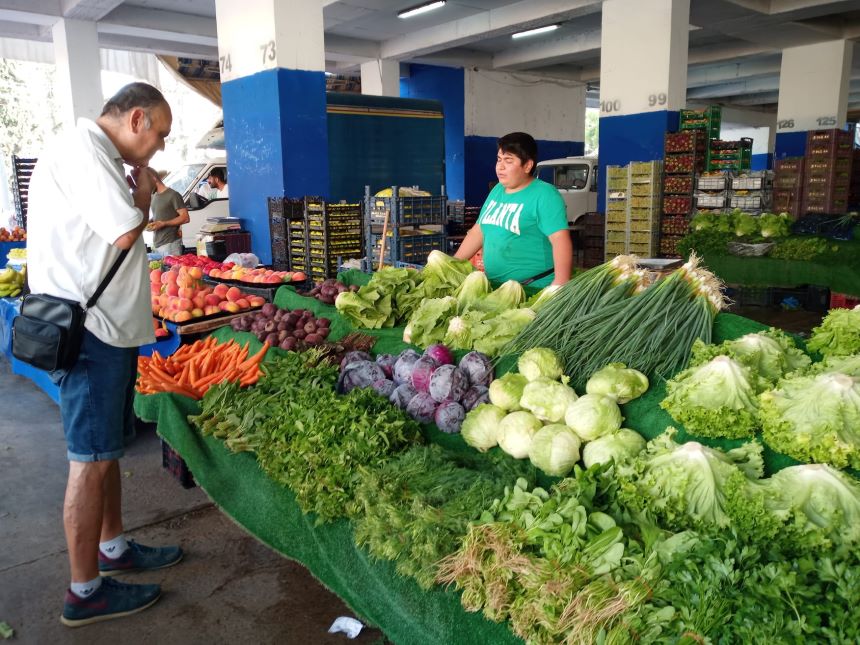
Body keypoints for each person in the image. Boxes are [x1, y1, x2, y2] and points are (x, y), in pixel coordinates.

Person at [27, 82, 183, 627]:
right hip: (91, 333)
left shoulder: (94, 153)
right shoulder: (83, 150)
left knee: (106, 451)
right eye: (160, 133)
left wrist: (138, 182)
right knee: (88, 462)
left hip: (110, 331)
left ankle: (113, 549)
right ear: (136, 118)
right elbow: (125, 232)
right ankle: (83, 591)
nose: (161, 146)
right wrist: (142, 189)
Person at [454, 132, 572, 289]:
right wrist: (452, 264)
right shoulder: (497, 190)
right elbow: (479, 231)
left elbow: (559, 239)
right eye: (499, 159)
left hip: (532, 288)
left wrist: (560, 283)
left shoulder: (544, 194)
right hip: (495, 287)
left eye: (508, 161)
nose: (500, 166)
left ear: (527, 165)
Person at [149, 171, 190, 257]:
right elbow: (160, 213)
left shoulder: (173, 195)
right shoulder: (154, 196)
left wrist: (164, 223)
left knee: (172, 270)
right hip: (157, 244)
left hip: (170, 244)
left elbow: (185, 217)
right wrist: (151, 221)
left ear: (154, 179)